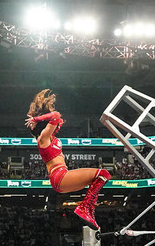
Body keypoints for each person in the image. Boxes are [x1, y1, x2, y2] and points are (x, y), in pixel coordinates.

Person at [25, 89, 110, 229]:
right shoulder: (43, 138)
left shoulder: (52, 138)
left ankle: (87, 210)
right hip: (59, 176)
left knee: (98, 179)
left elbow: (57, 119)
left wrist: (45, 119)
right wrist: (37, 119)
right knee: (103, 174)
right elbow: (56, 116)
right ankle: (85, 209)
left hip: (61, 178)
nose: (61, 123)